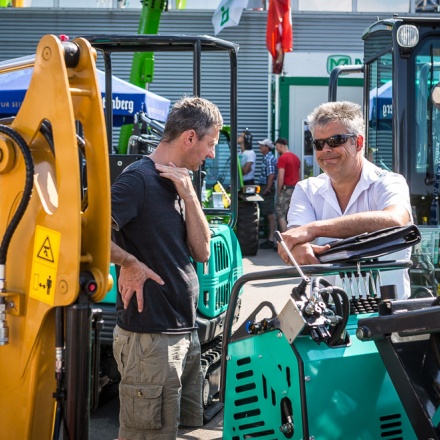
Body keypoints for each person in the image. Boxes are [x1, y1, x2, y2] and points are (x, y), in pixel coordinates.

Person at [110, 96, 222, 440]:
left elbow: (202, 252)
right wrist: (129, 264)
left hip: (183, 332)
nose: (212, 153)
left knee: (178, 430)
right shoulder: (137, 181)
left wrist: (189, 196)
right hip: (150, 338)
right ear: (189, 137)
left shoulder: (182, 181)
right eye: (210, 143)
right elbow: (83, 235)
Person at [279, 101, 412, 299]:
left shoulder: (390, 182)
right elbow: (295, 236)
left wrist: (315, 229)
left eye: (335, 140)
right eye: (318, 143)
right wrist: (298, 248)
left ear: (358, 142)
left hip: (385, 314)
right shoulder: (306, 189)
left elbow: (395, 219)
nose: (325, 149)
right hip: (327, 312)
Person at [274, 137, 301, 232]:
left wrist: (278, 191)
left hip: (286, 190)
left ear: (281, 146)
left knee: (280, 212)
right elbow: (299, 175)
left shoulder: (282, 158)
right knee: (292, 215)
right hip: (295, 190)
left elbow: (281, 177)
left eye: (277, 147)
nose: (276, 149)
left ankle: (286, 238)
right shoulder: (296, 158)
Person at [258, 138, 277, 249]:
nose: (260, 147)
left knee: (270, 214)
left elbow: (271, 175)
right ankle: (270, 239)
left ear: (267, 147)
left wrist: (268, 188)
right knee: (267, 212)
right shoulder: (267, 157)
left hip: (266, 187)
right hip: (264, 187)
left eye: (262, 145)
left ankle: (270, 239)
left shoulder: (269, 158)